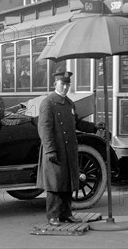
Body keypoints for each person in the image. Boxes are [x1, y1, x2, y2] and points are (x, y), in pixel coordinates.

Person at [36, 70, 100, 226]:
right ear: (55, 84)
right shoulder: (48, 103)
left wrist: (94, 127)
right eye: (62, 84)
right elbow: (44, 129)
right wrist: (50, 150)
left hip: (69, 151)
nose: (65, 87)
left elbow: (77, 123)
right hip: (55, 150)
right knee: (54, 184)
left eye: (67, 84)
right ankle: (53, 216)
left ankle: (66, 214)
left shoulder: (69, 103)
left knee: (68, 182)